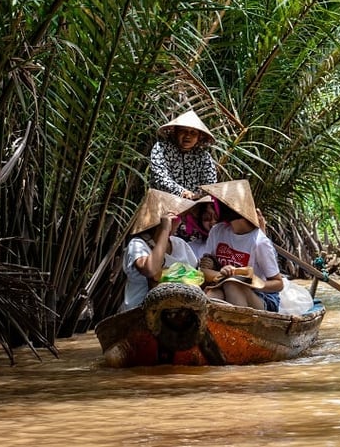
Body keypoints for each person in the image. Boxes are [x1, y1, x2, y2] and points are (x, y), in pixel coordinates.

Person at [197, 180, 283, 312]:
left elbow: (278, 284)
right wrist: (223, 273)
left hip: (262, 297)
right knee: (214, 294)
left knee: (232, 284)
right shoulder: (217, 231)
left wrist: (253, 281)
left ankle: (242, 327)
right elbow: (204, 269)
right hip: (224, 286)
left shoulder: (259, 242)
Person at [121, 189, 200, 312]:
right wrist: (164, 229)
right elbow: (151, 270)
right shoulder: (138, 244)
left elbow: (196, 273)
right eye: (176, 217)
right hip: (140, 311)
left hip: (178, 310)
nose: (180, 221)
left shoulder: (179, 244)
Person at [149, 110, 218, 199]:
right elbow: (159, 177)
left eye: (193, 132)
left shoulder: (203, 157)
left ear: (199, 137)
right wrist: (182, 193)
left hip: (195, 205)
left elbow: (210, 184)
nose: (188, 136)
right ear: (175, 132)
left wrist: (201, 199)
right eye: (183, 131)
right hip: (164, 202)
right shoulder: (161, 148)